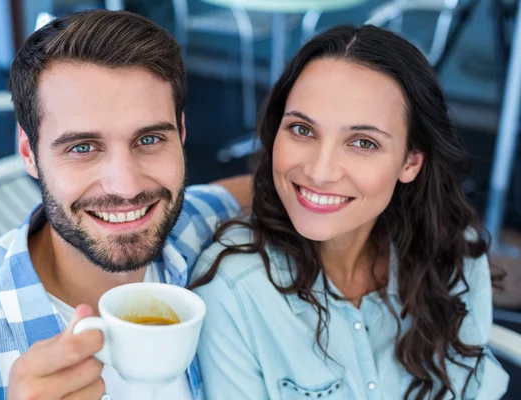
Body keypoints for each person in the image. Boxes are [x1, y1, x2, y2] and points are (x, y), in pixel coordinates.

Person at [0, 10, 250, 400]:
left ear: (180, 133)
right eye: (82, 147)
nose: (126, 187)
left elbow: (268, 187)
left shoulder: (198, 227)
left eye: (149, 140)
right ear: (28, 152)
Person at [191, 25, 510, 400]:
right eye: (302, 129)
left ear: (410, 162)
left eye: (363, 142)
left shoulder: (453, 249)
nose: (319, 172)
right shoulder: (234, 290)